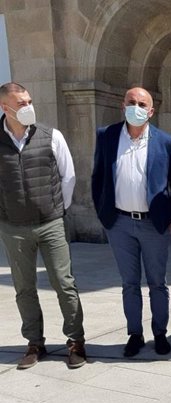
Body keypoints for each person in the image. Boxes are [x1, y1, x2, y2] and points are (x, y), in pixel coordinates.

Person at [92, 87, 171, 358]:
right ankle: (135, 334)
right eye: (131, 102)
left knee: (157, 282)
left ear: (151, 111)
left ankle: (160, 333)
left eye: (142, 104)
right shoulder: (106, 136)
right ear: (123, 105)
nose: (136, 107)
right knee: (129, 283)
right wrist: (103, 214)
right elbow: (98, 178)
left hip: (153, 224)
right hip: (119, 223)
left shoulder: (165, 141)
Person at [0, 82, 87, 369]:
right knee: (24, 288)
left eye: (29, 100)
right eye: (21, 103)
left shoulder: (52, 136)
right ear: (5, 107)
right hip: (14, 228)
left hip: (51, 223)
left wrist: (55, 210)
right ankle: (35, 343)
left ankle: (75, 342)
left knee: (65, 284)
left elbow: (68, 176)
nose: (28, 107)